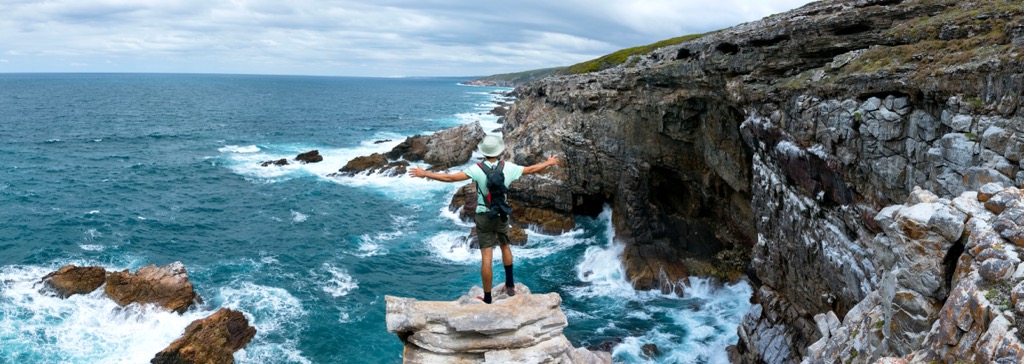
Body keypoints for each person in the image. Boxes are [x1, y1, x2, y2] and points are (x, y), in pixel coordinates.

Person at [409, 134, 559, 304]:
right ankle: (510, 285)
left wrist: (424, 173)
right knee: (505, 247)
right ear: (499, 151)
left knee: (486, 257)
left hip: (483, 215)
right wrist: (549, 162)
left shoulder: (477, 169)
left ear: (483, 152)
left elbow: (450, 178)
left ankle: (487, 298)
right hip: (502, 214)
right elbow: (531, 169)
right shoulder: (508, 167)